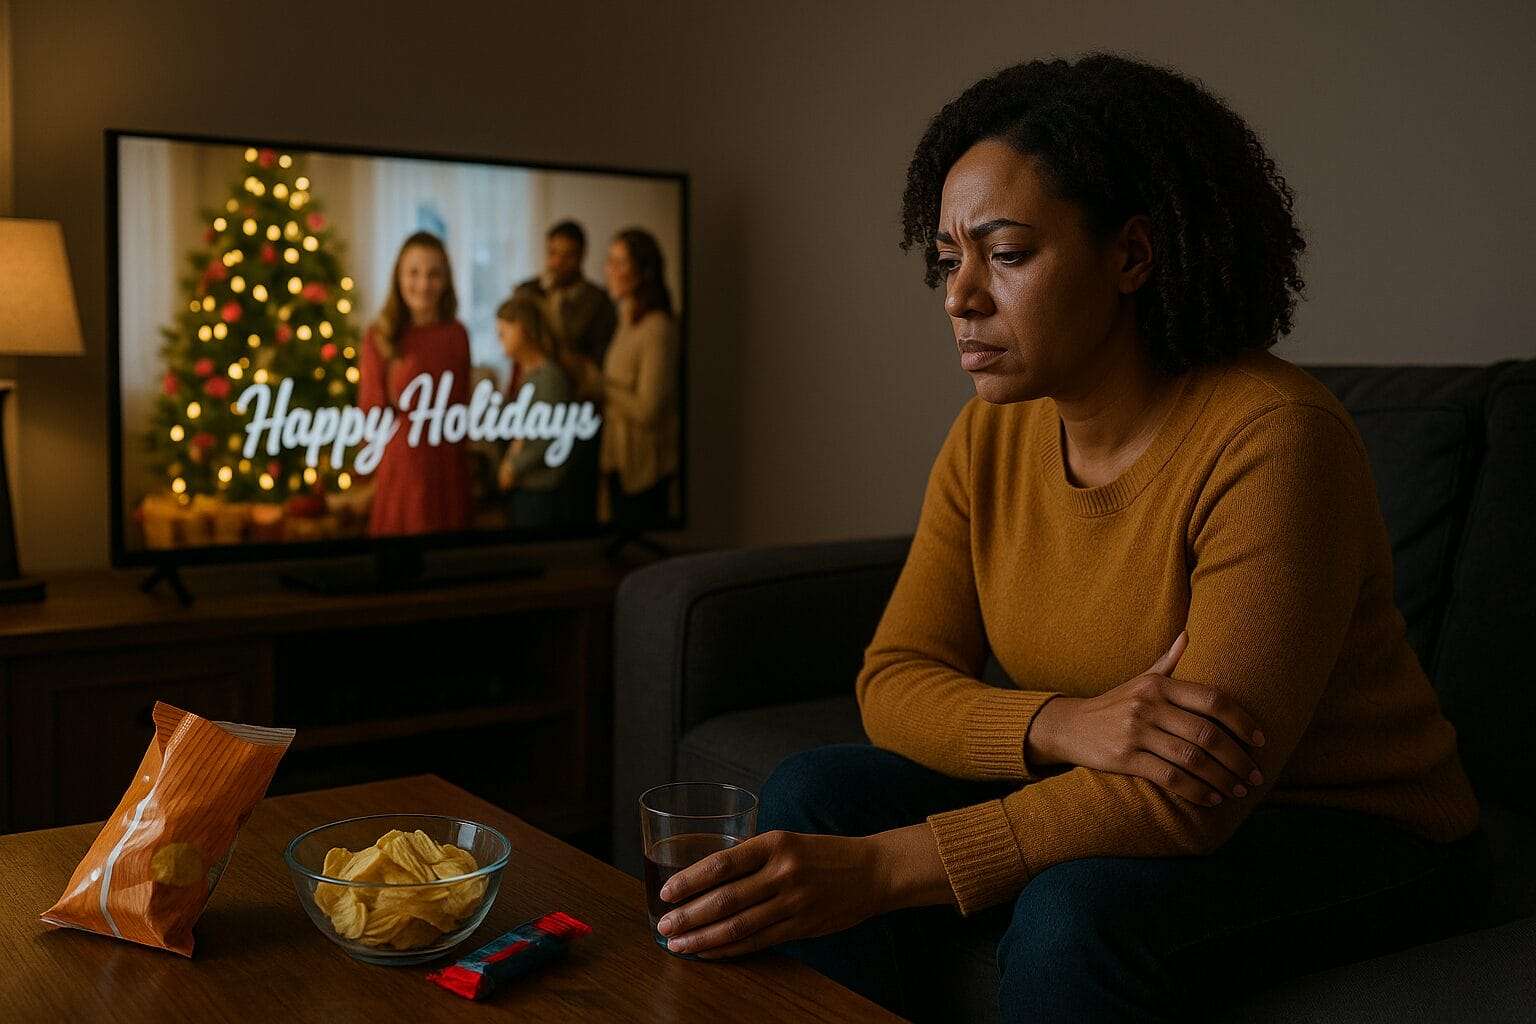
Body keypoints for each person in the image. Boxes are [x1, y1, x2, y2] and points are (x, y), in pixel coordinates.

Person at [642, 53, 1490, 1023]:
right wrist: (1056, 723)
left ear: (1131, 255)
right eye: (947, 258)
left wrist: (881, 868)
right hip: (1107, 766)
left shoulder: (1274, 439)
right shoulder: (990, 430)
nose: (960, 296)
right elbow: (893, 678)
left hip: (1351, 828)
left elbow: (1192, 791)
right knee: (817, 785)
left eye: (1004, 255)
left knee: (1072, 911)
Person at [357, 231, 472, 536]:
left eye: (434, 274)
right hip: (404, 467)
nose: (423, 284)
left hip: (448, 463)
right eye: (414, 273)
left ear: (446, 280)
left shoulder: (457, 333)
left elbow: (463, 403)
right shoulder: (379, 335)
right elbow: (371, 408)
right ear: (399, 276)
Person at [512, 220, 617, 526]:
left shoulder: (597, 302)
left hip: (578, 413)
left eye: (566, 255)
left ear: (582, 256)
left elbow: (600, 367)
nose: (557, 262)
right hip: (537, 407)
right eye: (552, 253)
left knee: (575, 500)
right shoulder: (531, 291)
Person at [599, 228, 680, 531]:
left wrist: (600, 385)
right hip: (620, 463)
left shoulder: (657, 328)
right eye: (609, 262)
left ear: (642, 271)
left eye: (618, 263)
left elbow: (649, 410)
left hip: (646, 470)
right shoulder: (626, 320)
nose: (608, 271)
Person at [494, 294, 572, 528]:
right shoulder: (526, 374)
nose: (500, 340)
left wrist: (513, 467)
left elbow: (544, 437)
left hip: (540, 489)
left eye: (503, 333)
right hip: (527, 485)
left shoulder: (548, 377)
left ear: (521, 329)